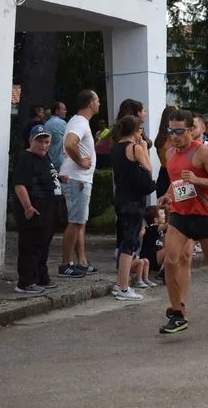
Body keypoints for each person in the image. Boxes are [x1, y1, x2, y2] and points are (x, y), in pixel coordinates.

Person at [157, 109, 208, 334]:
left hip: (204, 215)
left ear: (191, 130)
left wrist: (197, 179)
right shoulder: (170, 152)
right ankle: (177, 313)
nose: (174, 135)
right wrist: (167, 195)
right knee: (171, 260)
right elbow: (175, 182)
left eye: (179, 131)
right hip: (180, 215)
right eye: (170, 131)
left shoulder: (204, 153)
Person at [11, 125, 64, 294]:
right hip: (35, 207)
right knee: (31, 246)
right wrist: (27, 207)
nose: (44, 145)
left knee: (43, 245)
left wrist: (61, 178)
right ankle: (25, 282)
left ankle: (41, 277)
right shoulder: (26, 158)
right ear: (31, 141)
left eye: (46, 141)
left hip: (49, 208)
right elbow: (20, 184)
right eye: (39, 141)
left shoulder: (44, 157)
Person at [110, 115, 155, 301]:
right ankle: (123, 287)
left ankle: (121, 282)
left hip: (121, 197)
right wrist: (144, 149)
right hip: (133, 200)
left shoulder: (116, 148)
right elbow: (148, 169)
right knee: (130, 243)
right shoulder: (134, 147)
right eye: (140, 130)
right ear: (136, 131)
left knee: (125, 240)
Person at [58, 90, 100, 278]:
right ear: (91, 103)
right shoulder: (80, 122)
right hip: (77, 179)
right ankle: (65, 263)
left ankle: (81, 261)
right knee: (75, 222)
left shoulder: (79, 122)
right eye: (97, 100)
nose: (99, 104)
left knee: (79, 222)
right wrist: (80, 161)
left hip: (79, 179)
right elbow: (70, 143)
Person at [153, 105, 179, 198]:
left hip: (163, 174)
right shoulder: (175, 137)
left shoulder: (160, 137)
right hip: (174, 176)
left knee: (163, 208)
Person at [45, 102, 68, 170]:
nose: (66, 111)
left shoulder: (46, 124)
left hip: (50, 160)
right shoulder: (62, 123)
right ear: (57, 111)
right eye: (64, 109)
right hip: (61, 162)